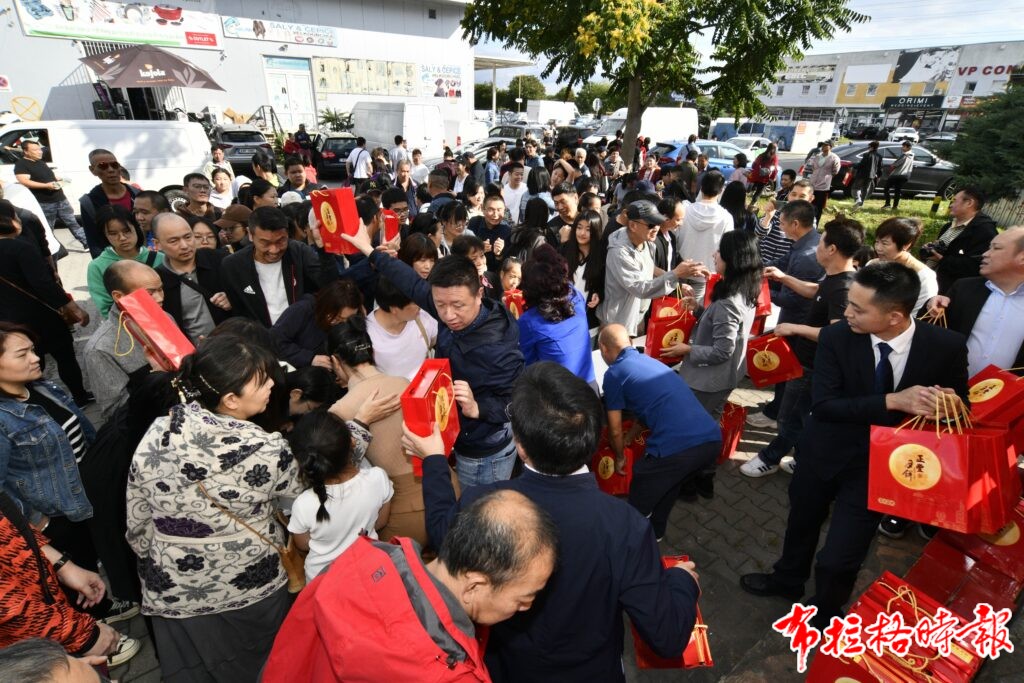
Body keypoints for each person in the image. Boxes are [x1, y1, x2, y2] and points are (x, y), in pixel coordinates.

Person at [413, 362, 700, 681]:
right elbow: (667, 636)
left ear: (520, 445)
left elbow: (442, 535)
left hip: (506, 669)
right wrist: (680, 581)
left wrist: (435, 460)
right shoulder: (626, 526)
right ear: (594, 438)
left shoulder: (481, 503)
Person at [743, 263, 970, 628]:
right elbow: (825, 405)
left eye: (859, 309)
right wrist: (895, 401)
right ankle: (786, 581)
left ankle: (827, 612)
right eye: (849, 303)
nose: (846, 313)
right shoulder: (836, 338)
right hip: (821, 454)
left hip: (881, 469)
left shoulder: (946, 345)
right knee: (801, 525)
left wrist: (947, 404)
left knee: (840, 558)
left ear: (895, 316)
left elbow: (963, 406)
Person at [125, 336, 305, 681]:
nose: (271, 383)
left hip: (173, 588)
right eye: (261, 380)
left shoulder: (159, 431)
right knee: (264, 665)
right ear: (231, 400)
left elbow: (138, 520)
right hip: (248, 583)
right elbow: (300, 496)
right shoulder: (267, 449)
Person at [263, 489, 557, 682]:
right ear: (475, 586)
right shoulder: (451, 675)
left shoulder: (360, 561)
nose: (527, 607)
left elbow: (291, 652)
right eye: (524, 596)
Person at [340, 220, 525, 487]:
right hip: (458, 436)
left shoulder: (496, 347)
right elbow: (411, 283)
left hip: (485, 451)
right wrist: (369, 251)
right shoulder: (447, 302)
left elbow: (517, 401)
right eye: (440, 305)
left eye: (458, 305)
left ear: (479, 294)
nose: (448, 315)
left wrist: (477, 407)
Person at [742, 217, 864, 478]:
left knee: (789, 416)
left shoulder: (844, 289)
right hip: (807, 360)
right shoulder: (835, 279)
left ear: (832, 249)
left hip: (813, 365)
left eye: (821, 242)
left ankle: (770, 458)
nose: (817, 246)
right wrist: (784, 277)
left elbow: (838, 333)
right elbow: (815, 291)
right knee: (799, 414)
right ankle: (804, 455)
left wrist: (795, 329)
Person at [599, 325, 722, 539]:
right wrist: (631, 438)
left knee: (642, 485)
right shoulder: (648, 361)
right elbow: (646, 408)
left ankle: (632, 541)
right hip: (710, 439)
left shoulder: (615, 374)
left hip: (679, 447)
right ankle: (656, 532)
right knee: (670, 482)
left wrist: (619, 457)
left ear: (603, 348)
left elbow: (615, 429)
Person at [325, 317, 436, 548]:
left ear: (335, 362)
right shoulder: (404, 382)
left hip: (405, 512)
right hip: (443, 488)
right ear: (371, 352)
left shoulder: (339, 410)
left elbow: (336, 471)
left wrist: (360, 422)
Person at [0, 204, 91, 405]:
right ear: (9, 221)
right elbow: (44, 284)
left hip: (9, 323)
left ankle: (40, 403)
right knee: (65, 356)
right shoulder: (21, 248)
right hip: (41, 315)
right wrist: (73, 307)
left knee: (30, 361)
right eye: (15, 216)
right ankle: (80, 396)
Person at [287, 409, 390, 582]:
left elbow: (303, 544)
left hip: (323, 581)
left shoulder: (303, 504)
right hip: (368, 571)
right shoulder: (377, 478)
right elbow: (381, 521)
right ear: (352, 442)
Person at [747, 199, 824, 429]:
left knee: (788, 369)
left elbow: (795, 298)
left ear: (795, 224)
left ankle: (778, 415)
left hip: (798, 322)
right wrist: (756, 271)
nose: (779, 227)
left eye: (781, 223)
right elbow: (780, 263)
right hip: (793, 318)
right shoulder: (805, 243)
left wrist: (760, 293)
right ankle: (776, 407)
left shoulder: (807, 256)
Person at [669, 230, 762, 418]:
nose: (714, 254)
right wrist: (698, 310)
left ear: (732, 259)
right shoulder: (745, 288)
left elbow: (722, 350)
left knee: (693, 424)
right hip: (724, 377)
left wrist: (687, 349)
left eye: (719, 251)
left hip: (708, 381)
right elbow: (726, 327)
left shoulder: (729, 302)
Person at [927, 226, 1024, 378]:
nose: (985, 254)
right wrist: (932, 305)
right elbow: (930, 336)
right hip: (946, 393)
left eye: (996, 248)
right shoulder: (964, 289)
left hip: (1007, 399)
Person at [600, 200, 705, 336]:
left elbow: (650, 270)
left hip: (637, 318)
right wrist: (675, 274)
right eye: (650, 224)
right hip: (618, 323)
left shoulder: (647, 243)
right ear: (632, 225)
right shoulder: (620, 252)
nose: (656, 228)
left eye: (657, 222)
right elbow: (639, 288)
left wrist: (679, 279)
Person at [221, 206, 337, 326]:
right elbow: (237, 313)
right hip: (259, 339)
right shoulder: (233, 265)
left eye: (281, 241)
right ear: (250, 234)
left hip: (302, 335)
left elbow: (330, 286)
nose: (274, 250)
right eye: (265, 243)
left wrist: (324, 252)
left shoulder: (299, 252)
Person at [83, 261, 162, 421]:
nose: (160, 298)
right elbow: (116, 412)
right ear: (119, 297)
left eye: (161, 289)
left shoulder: (165, 318)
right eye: (150, 293)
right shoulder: (100, 348)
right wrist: (159, 378)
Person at [516, 243, 595, 386]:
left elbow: (527, 364)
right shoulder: (575, 295)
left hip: (560, 396)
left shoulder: (529, 322)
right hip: (589, 383)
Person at [151, 212, 231, 342]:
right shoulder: (157, 280)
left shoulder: (220, 260)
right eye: (173, 241)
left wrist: (232, 298)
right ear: (157, 244)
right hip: (198, 355)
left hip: (237, 346)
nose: (184, 245)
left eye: (188, 237)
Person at [85, 205, 163, 318]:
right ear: (105, 236)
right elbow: (105, 308)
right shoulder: (97, 266)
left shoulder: (160, 258)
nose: (122, 238)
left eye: (127, 231)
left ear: (136, 228)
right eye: (113, 233)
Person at [13, 140, 89, 251]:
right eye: (35, 150)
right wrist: (45, 185)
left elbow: (48, 175)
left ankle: (86, 243)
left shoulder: (40, 162)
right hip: (45, 202)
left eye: (39, 149)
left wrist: (58, 178)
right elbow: (24, 181)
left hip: (60, 199)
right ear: (26, 151)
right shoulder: (21, 164)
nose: (40, 152)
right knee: (48, 228)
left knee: (72, 222)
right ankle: (49, 249)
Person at [270, 278, 364, 368]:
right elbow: (274, 340)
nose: (342, 323)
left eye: (348, 320)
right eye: (338, 318)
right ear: (327, 307)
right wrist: (309, 358)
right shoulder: (303, 310)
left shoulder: (351, 321)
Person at [923, 187, 998, 293]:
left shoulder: (984, 231)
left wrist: (942, 259)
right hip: (930, 282)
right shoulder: (948, 226)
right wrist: (929, 251)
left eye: (954, 201)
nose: (951, 205)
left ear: (969, 203)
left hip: (953, 292)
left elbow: (976, 266)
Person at [365, 276, 437, 381]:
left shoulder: (423, 318)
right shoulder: (367, 334)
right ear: (394, 309)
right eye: (414, 303)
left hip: (425, 390)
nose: (420, 306)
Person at [676, 172, 734, 303]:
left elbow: (675, 238)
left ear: (701, 188)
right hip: (707, 275)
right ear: (721, 191)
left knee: (675, 316)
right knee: (696, 315)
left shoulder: (685, 209)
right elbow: (727, 250)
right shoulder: (726, 218)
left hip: (680, 270)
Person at [76, 149, 141, 258]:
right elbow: (94, 242)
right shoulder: (89, 203)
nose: (111, 170)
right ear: (93, 170)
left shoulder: (137, 194)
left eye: (114, 165)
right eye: (103, 166)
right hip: (114, 261)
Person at [871, 216, 938, 316]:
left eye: (885, 243)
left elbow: (919, 314)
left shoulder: (924, 277)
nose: (878, 248)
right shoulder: (872, 265)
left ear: (906, 245)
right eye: (877, 242)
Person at [561, 209, 605, 329]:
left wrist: (598, 294)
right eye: (579, 228)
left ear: (595, 231)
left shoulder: (601, 255)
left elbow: (603, 283)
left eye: (588, 229)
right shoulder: (565, 250)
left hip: (587, 320)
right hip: (563, 317)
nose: (582, 233)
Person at [469, 194, 511, 272]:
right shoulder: (474, 223)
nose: (495, 215)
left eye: (499, 210)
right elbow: (464, 252)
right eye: (491, 210)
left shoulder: (507, 231)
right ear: (483, 209)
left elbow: (505, 268)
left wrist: (498, 254)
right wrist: (479, 250)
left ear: (504, 210)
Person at [806, 140, 840, 220]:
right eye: (823, 145)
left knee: (819, 206)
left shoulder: (834, 158)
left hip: (823, 186)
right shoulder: (817, 156)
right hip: (812, 184)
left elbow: (835, 171)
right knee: (809, 204)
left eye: (826, 145)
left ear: (830, 147)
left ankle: (816, 221)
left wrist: (827, 177)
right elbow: (813, 167)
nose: (824, 147)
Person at [880, 140, 914, 211]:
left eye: (904, 146)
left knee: (886, 188)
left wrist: (891, 167)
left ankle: (887, 204)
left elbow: (895, 165)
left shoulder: (904, 155)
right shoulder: (912, 155)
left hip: (897, 175)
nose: (902, 148)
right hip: (905, 176)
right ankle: (895, 206)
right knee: (897, 191)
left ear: (908, 147)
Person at [851, 140, 882, 208]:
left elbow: (862, 164)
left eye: (868, 147)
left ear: (871, 147)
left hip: (862, 174)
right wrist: (879, 175)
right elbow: (879, 167)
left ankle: (857, 199)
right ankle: (861, 203)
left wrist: (853, 165)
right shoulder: (879, 156)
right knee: (865, 189)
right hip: (871, 176)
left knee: (855, 188)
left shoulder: (867, 155)